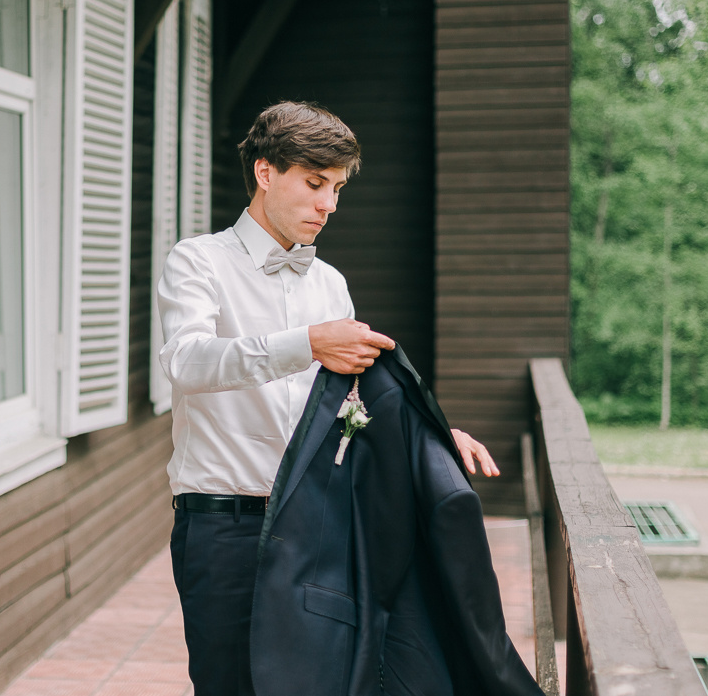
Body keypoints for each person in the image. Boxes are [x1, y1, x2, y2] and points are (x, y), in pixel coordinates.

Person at [156, 102, 499, 696]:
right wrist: (308, 343)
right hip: (223, 526)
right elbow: (186, 363)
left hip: (319, 527)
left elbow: (350, 402)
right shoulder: (198, 261)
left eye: (337, 189)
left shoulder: (330, 282)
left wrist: (431, 435)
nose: (329, 205)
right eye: (315, 184)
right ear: (266, 173)